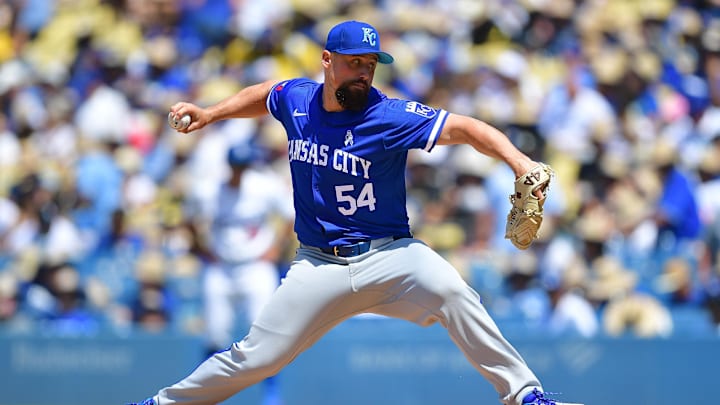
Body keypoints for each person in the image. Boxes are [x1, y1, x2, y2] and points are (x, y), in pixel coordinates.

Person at [130, 20, 581, 405]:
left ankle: (526, 395)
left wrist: (520, 163)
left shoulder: (389, 115)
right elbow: (268, 93)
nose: (363, 72)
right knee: (258, 356)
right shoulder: (298, 100)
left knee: (453, 291)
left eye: (370, 64)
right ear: (327, 60)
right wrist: (211, 113)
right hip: (318, 263)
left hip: (390, 256)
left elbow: (466, 128)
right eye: (354, 62)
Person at [201, 143, 295, 405]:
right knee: (215, 332)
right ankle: (205, 394)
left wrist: (276, 248)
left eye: (244, 166)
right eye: (237, 166)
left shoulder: (263, 186)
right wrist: (201, 246)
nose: (241, 171)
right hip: (221, 266)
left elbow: (290, 214)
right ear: (229, 166)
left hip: (256, 266)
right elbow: (190, 217)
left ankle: (270, 395)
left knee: (263, 333)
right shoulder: (211, 189)